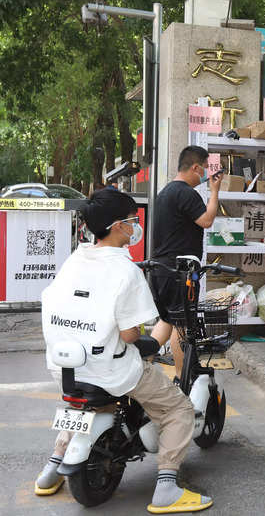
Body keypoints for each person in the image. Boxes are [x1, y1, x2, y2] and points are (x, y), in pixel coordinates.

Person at [36, 188, 213, 513]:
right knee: (178, 410)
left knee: (82, 410)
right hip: (112, 368)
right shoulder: (125, 270)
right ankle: (166, 488)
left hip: (67, 368)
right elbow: (131, 334)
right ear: (118, 225)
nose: (135, 226)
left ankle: (51, 468)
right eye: (133, 220)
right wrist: (150, 340)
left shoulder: (74, 259)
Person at [151, 146, 222, 381]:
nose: (204, 174)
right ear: (195, 167)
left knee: (166, 321)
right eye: (203, 168)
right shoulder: (185, 193)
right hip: (180, 272)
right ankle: (183, 381)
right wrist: (214, 190)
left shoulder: (164, 193)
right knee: (181, 324)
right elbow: (207, 220)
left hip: (161, 270)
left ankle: (139, 365)